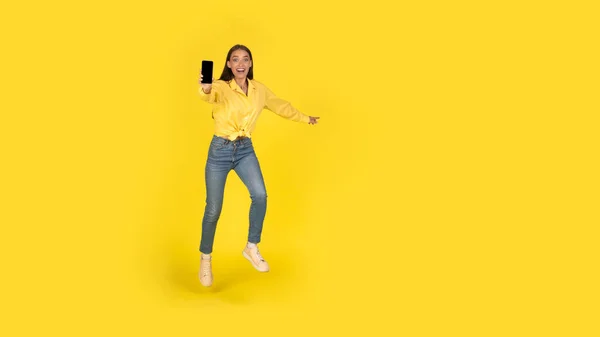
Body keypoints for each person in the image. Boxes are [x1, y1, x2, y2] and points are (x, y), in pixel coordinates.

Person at [196, 44, 319, 287]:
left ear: (250, 64)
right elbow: (207, 94)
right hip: (220, 150)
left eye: (245, 59)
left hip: (244, 150)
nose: (240, 63)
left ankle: (251, 247)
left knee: (260, 195)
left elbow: (280, 105)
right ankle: (205, 259)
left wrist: (305, 118)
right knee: (213, 209)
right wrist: (205, 86)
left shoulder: (258, 90)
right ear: (229, 64)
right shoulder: (221, 86)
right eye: (235, 59)